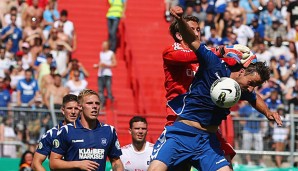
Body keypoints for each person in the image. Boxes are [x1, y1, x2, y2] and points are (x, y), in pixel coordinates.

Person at [148, 6, 282, 171]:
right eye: (193, 30)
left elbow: (254, 98)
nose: (252, 87)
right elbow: (194, 45)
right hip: (181, 127)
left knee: (227, 166)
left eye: (199, 29)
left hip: (208, 139)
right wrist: (181, 21)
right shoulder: (205, 61)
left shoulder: (241, 87)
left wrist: (268, 112)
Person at [50, 89, 124, 171]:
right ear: (80, 107)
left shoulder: (109, 131)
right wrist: (78, 164)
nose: (94, 106)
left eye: (97, 103)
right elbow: (53, 163)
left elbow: (116, 162)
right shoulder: (66, 130)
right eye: (89, 103)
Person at [31, 94, 80, 171]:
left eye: (76, 108)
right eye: (69, 108)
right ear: (63, 110)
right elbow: (36, 163)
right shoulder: (51, 134)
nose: (73, 112)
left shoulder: (87, 132)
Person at [93, 41, 117, 108]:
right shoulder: (101, 53)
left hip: (107, 74)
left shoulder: (111, 53)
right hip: (100, 74)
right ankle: (102, 104)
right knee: (100, 90)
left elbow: (115, 63)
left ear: (107, 46)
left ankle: (110, 104)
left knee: (108, 90)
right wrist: (97, 66)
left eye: (104, 45)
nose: (102, 46)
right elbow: (100, 63)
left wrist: (106, 65)